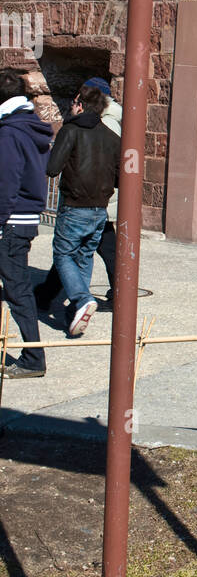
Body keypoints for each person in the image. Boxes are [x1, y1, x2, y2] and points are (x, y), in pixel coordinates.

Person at [36, 77, 121, 312]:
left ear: (81, 104)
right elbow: (120, 175)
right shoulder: (111, 135)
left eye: (74, 101)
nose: (71, 106)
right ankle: (78, 312)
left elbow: (52, 168)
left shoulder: (71, 130)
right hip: (100, 207)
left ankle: (82, 300)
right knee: (84, 257)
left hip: (75, 205)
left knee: (64, 255)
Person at [0, 69, 53, 378]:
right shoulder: (32, 127)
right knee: (18, 289)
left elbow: (6, 182)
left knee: (18, 291)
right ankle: (33, 355)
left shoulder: (9, 132)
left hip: (10, 221)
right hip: (25, 218)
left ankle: (33, 357)